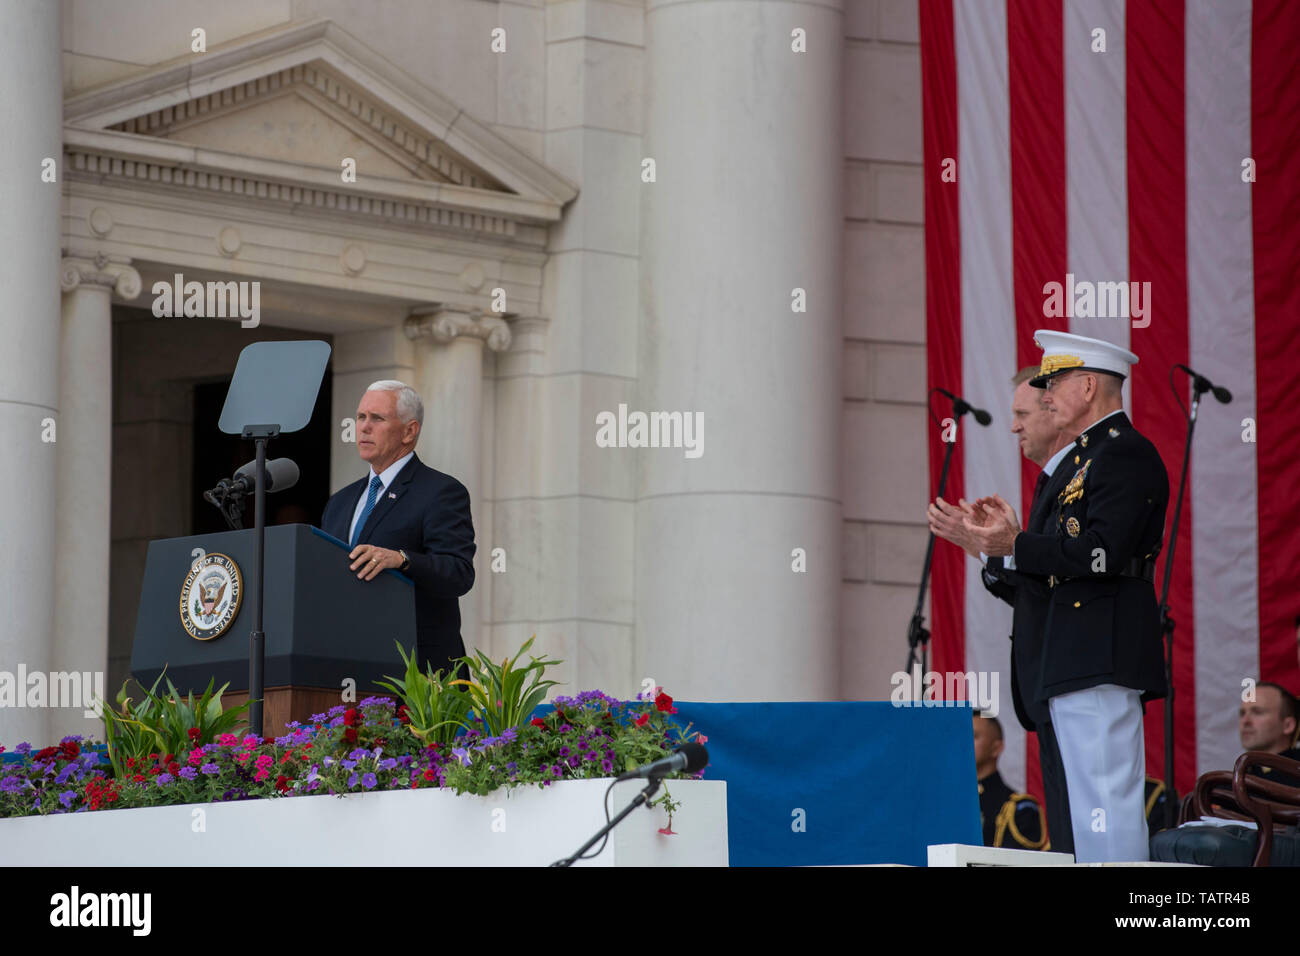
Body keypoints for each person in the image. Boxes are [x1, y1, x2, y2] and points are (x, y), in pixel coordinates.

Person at [959, 330, 1169, 863]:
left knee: (1106, 805)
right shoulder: (1081, 462)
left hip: (1099, 651)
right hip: (1070, 653)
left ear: (1089, 385)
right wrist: (998, 549)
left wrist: (1017, 544)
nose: (1046, 394)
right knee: (1078, 817)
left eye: (1055, 383)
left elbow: (1101, 553)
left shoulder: (1125, 454)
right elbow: (1056, 565)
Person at [928, 366, 1076, 853]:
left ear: (1055, 410)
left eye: (1021, 413)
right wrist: (985, 548)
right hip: (1052, 683)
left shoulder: (1079, 481)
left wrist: (1004, 547)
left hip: (1078, 673)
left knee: (1089, 832)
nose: (1013, 426)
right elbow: (1037, 589)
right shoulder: (1052, 483)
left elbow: (1069, 581)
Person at [320, 380, 475, 676]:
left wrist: (402, 560)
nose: (364, 427)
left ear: (409, 431)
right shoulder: (340, 502)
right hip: (348, 668)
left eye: (377, 418)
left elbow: (458, 574)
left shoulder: (441, 492)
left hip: (420, 675)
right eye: (361, 417)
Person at [973, 712, 1047, 850]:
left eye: (974, 736)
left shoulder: (1019, 808)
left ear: (996, 748)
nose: (965, 743)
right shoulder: (951, 802)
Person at [1240, 682, 1300, 789]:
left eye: (1257, 712)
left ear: (1288, 725)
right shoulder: (1232, 783)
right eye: (1242, 713)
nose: (1245, 721)